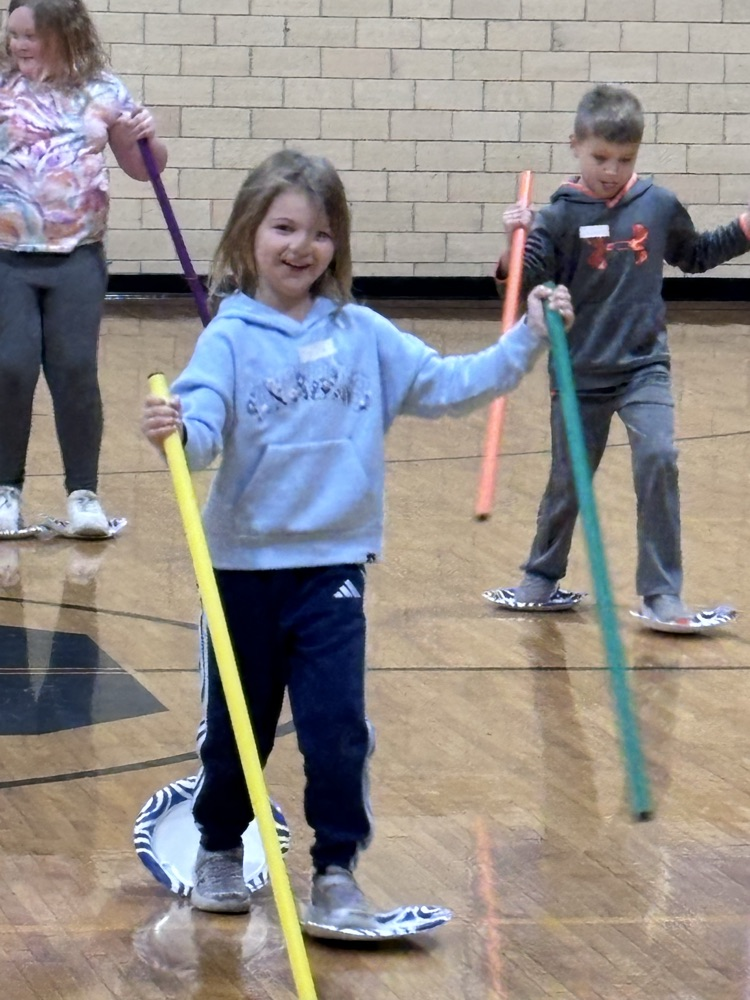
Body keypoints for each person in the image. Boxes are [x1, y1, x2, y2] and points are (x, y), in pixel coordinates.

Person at [142, 148, 573, 926]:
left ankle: (336, 870)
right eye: (283, 228)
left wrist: (529, 339)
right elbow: (201, 432)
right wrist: (177, 429)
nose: (300, 246)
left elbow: (450, 384)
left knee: (338, 728)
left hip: (333, 567)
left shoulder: (363, 334)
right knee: (237, 731)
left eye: (319, 232)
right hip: (241, 572)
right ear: (248, 233)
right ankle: (218, 846)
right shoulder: (229, 338)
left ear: (337, 243)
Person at [490, 83, 750, 627]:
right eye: (600, 157)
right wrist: (512, 247)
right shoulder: (557, 216)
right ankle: (540, 576)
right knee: (569, 479)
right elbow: (520, 288)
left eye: (624, 159)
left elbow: (696, 254)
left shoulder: (657, 205)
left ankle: (661, 595)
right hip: (578, 369)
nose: (611, 170)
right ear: (576, 146)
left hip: (643, 367)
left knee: (659, 458)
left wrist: (745, 228)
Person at [0, 0, 168, 536]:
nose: (18, 45)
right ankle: (5, 490)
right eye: (13, 34)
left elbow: (143, 169)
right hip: (7, 258)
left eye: (30, 35)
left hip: (77, 257)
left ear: (63, 33)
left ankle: (84, 494)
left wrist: (147, 135)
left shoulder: (102, 90)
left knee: (74, 370)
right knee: (11, 367)